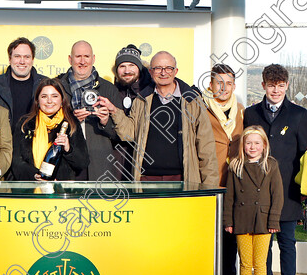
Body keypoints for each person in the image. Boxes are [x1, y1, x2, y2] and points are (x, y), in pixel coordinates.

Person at [243, 64, 307, 275]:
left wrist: (304, 188)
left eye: (281, 85)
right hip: (258, 191)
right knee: (264, 242)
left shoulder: (299, 115)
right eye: (271, 85)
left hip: (289, 190)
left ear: (287, 86)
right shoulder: (251, 114)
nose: (276, 90)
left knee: (287, 242)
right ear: (263, 85)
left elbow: (305, 154)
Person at [99, 51, 218, 185]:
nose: (163, 73)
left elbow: (206, 148)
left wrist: (210, 186)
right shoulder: (141, 100)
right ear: (150, 72)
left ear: (176, 71)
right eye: (158, 68)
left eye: (168, 68)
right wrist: (114, 111)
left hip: (182, 179)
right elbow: (129, 134)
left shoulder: (192, 102)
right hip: (145, 179)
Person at [223, 126, 283, 275]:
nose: (252, 146)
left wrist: (274, 219)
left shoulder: (271, 165)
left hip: (263, 220)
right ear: (243, 145)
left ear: (264, 145)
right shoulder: (235, 165)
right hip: (242, 219)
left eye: (257, 143)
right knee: (245, 262)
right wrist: (228, 221)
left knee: (260, 262)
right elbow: (229, 197)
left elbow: (278, 196)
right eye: (249, 143)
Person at [203, 63, 244, 275]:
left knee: (229, 239)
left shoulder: (241, 110)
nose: (224, 87)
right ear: (211, 84)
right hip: (209, 181)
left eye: (228, 83)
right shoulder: (201, 108)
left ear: (234, 85)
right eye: (219, 82)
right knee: (207, 239)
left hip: (234, 184)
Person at [57, 40, 123, 181]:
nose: (82, 61)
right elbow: (46, 126)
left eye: (86, 57)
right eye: (78, 56)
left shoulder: (108, 88)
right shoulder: (57, 87)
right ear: (70, 59)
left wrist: (105, 122)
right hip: (66, 162)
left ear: (93, 59)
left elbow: (121, 134)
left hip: (98, 164)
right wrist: (71, 121)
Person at [11, 78, 89, 181]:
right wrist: (35, 175)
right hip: (30, 188)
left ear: (62, 100)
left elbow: (83, 162)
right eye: (44, 96)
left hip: (60, 190)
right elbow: (16, 161)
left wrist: (68, 148)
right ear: (37, 101)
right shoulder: (25, 124)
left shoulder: (71, 123)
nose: (49, 101)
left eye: (54, 96)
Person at [111, 44, 153, 181]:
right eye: (122, 66)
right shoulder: (110, 92)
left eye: (131, 65)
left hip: (144, 162)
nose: (127, 70)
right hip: (116, 161)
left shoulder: (150, 93)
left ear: (139, 68)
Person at [0, 37, 46, 133]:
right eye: (17, 56)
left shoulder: (45, 85)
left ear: (32, 59)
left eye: (27, 57)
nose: (22, 61)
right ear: (9, 59)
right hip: (4, 144)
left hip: (36, 144)